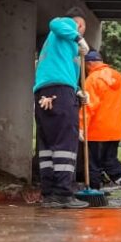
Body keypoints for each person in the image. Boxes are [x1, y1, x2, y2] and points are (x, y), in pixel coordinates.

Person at [34, 11, 91, 209]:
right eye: (83, 28)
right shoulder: (66, 26)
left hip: (47, 90)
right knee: (65, 142)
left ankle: (49, 193)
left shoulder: (63, 49)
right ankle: (63, 193)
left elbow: (65, 72)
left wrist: (77, 91)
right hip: (59, 90)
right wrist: (78, 37)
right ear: (80, 26)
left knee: (48, 144)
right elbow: (55, 22)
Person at [80, 50, 121, 207]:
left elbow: (89, 106)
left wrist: (81, 127)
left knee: (93, 162)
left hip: (96, 129)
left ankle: (93, 192)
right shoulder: (118, 76)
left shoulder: (92, 79)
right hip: (115, 128)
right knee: (109, 160)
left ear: (89, 63)